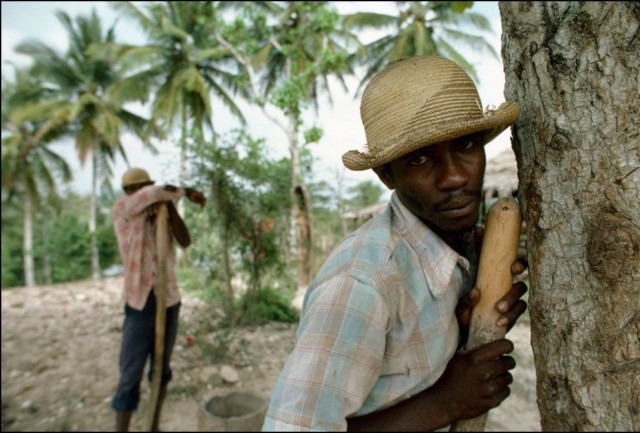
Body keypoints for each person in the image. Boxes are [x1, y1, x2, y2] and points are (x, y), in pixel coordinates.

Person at [262, 55, 528, 431]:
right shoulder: (361, 285)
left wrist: (463, 332)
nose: (454, 176)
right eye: (421, 159)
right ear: (387, 174)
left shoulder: (451, 249)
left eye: (466, 144)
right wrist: (445, 403)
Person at [111, 167, 206, 432]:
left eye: (146, 187)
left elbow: (185, 241)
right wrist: (186, 193)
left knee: (161, 371)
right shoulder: (124, 209)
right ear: (130, 192)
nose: (142, 193)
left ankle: (153, 424)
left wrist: (170, 207)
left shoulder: (161, 209)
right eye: (137, 189)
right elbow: (150, 194)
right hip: (140, 303)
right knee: (130, 375)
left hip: (168, 300)